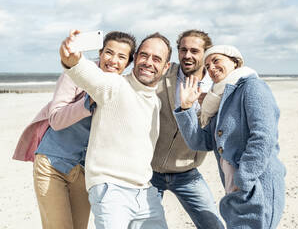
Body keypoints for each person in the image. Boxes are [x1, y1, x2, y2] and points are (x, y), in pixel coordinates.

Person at [12, 31, 136, 229]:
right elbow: (56, 119)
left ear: (128, 63)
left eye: (121, 57)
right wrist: (88, 102)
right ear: (100, 52)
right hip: (52, 162)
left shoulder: (122, 88)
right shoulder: (75, 73)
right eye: (108, 53)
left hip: (84, 172)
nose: (113, 60)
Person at [60, 30, 171, 229]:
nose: (148, 62)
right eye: (144, 55)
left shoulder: (156, 102)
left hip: (146, 193)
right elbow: (89, 75)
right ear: (135, 58)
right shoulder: (115, 84)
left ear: (165, 67)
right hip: (111, 190)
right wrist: (73, 60)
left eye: (156, 59)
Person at [174, 45, 286, 228]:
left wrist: (244, 180)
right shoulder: (219, 100)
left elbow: (264, 136)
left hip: (256, 185)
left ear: (235, 62)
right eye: (207, 66)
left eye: (216, 61)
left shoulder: (252, 87)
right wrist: (186, 108)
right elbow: (199, 142)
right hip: (234, 188)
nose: (211, 68)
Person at [150, 29, 224, 228]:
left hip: (187, 173)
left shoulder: (217, 88)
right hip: (148, 172)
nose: (187, 55)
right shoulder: (164, 72)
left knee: (214, 225)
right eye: (183, 50)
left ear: (205, 54)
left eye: (194, 51)